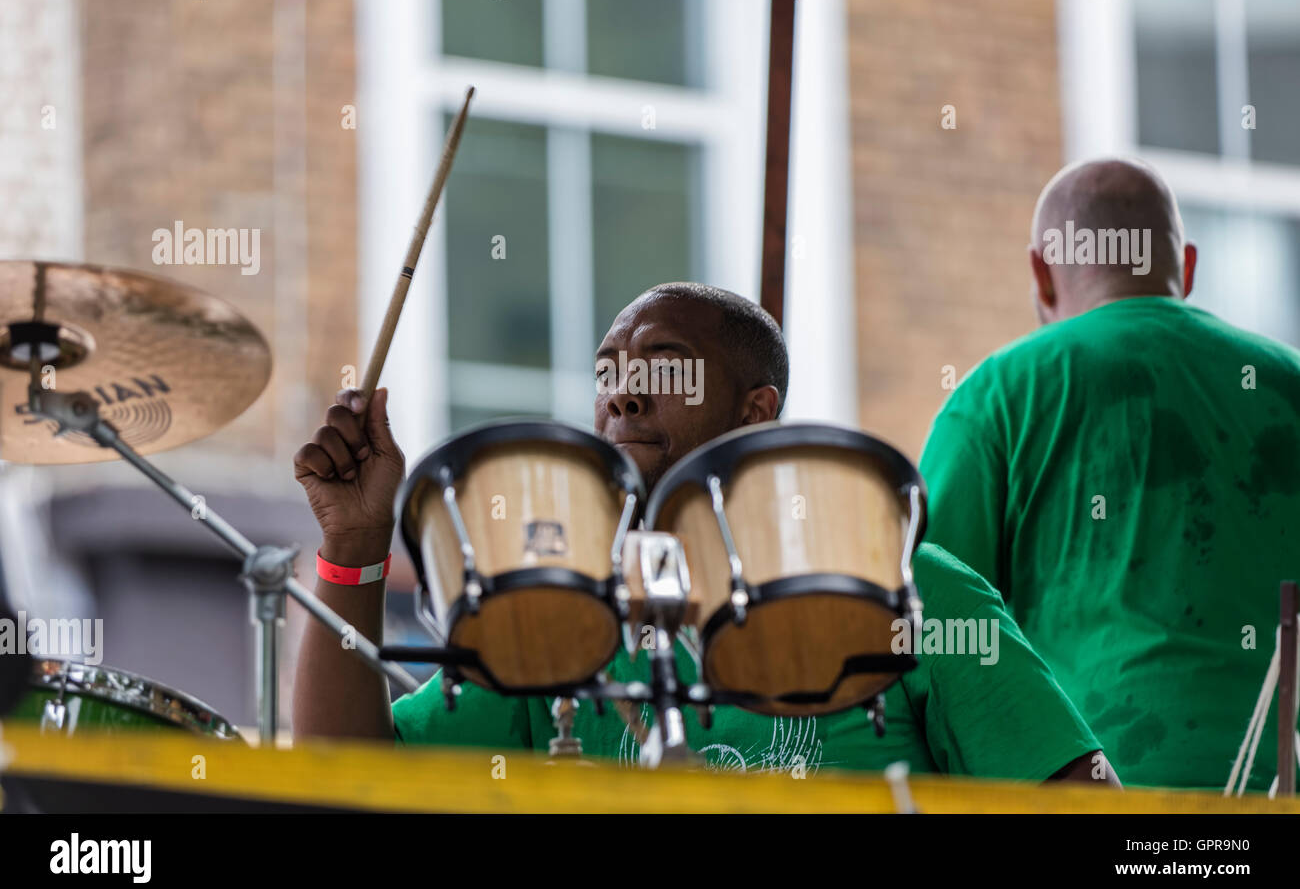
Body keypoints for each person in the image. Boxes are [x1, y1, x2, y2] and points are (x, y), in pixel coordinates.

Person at [294, 282, 1117, 783]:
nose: (622, 395)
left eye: (661, 364)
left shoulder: (908, 583)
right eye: (609, 375)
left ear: (755, 411)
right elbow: (349, 778)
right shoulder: (554, 614)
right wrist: (355, 547)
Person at [919, 158, 1300, 790]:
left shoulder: (997, 398)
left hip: (1094, 799)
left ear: (1041, 273)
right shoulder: (1287, 385)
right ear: (1188, 267)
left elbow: (932, 624)